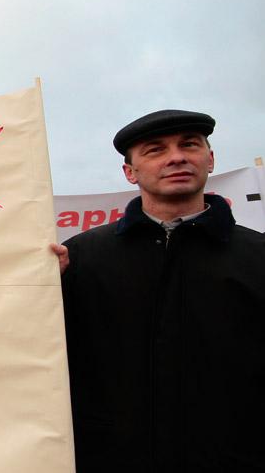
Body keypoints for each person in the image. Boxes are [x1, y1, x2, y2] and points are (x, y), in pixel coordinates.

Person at [51, 110, 265, 471]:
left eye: (189, 145)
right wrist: (39, 290)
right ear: (130, 172)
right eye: (155, 150)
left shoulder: (257, 256)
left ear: (210, 159)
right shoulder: (80, 258)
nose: (176, 157)